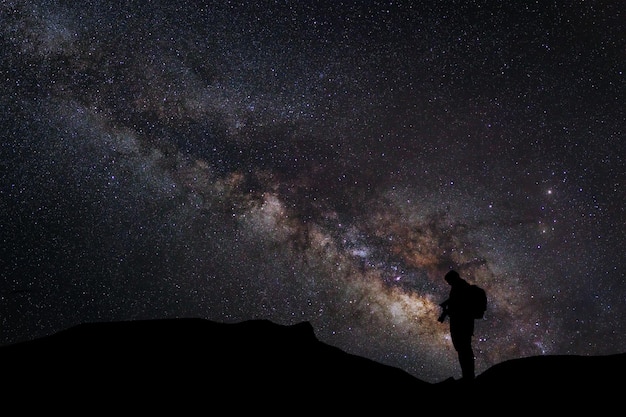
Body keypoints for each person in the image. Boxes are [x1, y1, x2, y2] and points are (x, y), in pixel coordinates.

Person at [438, 269, 476, 381]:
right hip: (463, 323)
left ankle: (468, 376)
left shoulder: (460, 287)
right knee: (464, 349)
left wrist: (447, 312)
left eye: (449, 281)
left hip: (461, 324)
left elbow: (458, 306)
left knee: (464, 349)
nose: (448, 283)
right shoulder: (461, 287)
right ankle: (468, 375)